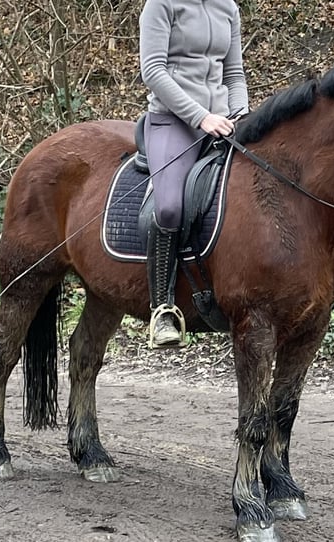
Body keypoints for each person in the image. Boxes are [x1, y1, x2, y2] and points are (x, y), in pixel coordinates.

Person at [139, 0, 249, 347]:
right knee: (170, 207)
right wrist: (201, 117)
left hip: (223, 122)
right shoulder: (160, 5)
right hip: (173, 122)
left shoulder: (227, 7)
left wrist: (241, 116)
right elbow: (153, 71)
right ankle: (162, 311)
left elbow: (233, 73)